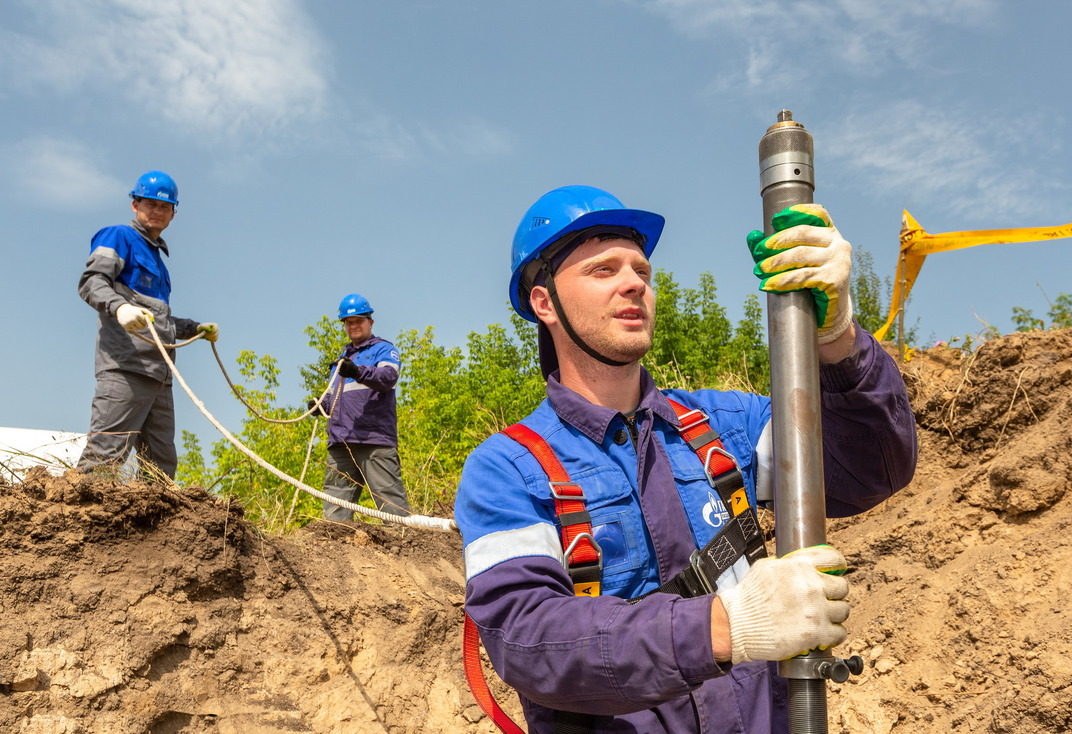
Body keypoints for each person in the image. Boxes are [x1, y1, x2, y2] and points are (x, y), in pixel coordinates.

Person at [455, 185, 918, 732]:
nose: (634, 283)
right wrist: (726, 626)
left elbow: (870, 470)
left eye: (642, 272)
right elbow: (529, 642)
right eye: (603, 270)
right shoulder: (507, 469)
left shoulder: (725, 427)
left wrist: (838, 339)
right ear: (543, 302)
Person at [77, 170, 218, 480]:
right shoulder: (118, 236)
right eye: (150, 203)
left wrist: (195, 329)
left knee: (160, 467)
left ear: (173, 213)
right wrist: (120, 307)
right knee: (105, 456)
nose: (157, 211)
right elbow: (92, 282)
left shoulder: (159, 261)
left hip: (159, 376)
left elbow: (158, 319)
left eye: (164, 206)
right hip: (126, 368)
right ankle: (78, 522)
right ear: (135, 204)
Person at [312, 293, 412, 521]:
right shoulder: (340, 362)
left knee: (391, 504)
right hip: (341, 441)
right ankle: (336, 551)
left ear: (370, 322)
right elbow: (334, 397)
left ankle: (406, 547)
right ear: (344, 325)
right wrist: (321, 405)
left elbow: (388, 377)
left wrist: (357, 371)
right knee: (335, 504)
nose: (354, 325)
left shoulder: (383, 350)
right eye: (349, 322)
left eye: (358, 320)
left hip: (374, 439)